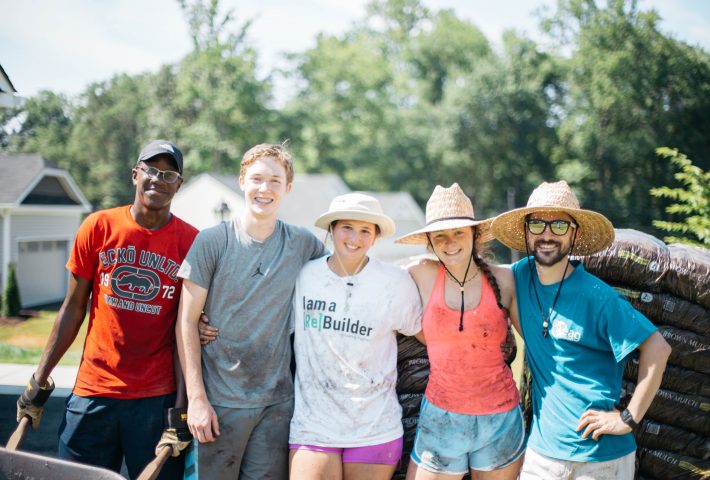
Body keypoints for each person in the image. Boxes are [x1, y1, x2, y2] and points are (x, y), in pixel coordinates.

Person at [15, 139, 197, 479]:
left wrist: (181, 410)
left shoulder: (191, 243)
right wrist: (38, 382)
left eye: (169, 174)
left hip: (155, 398)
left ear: (179, 184)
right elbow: (72, 309)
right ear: (135, 174)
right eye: (151, 170)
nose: (158, 179)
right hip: (93, 392)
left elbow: (186, 331)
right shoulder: (98, 227)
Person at [490, 180, 672, 480]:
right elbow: (473, 274)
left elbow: (658, 348)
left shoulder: (598, 297)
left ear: (574, 234)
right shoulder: (519, 276)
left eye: (559, 225)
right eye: (537, 225)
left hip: (599, 459)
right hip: (542, 455)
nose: (547, 235)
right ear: (526, 231)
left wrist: (628, 418)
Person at [175, 143, 326, 480]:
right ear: (242, 181)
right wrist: (197, 400)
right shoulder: (212, 242)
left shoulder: (302, 244)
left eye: (275, 181)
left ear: (288, 188)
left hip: (276, 404)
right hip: (219, 403)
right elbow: (186, 322)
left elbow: (342, 272)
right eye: (257, 179)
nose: (264, 188)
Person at [287, 193, 423, 480]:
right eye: (347, 227)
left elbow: (430, 337)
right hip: (314, 425)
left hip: (375, 426)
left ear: (375, 237)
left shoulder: (395, 282)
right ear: (332, 229)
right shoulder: (304, 277)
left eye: (365, 231)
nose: (354, 238)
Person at [395, 183, 525, 480]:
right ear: (429, 241)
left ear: (475, 234)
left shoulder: (503, 279)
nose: (449, 242)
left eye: (458, 233)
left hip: (500, 418)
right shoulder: (421, 273)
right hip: (441, 416)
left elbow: (534, 340)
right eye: (440, 235)